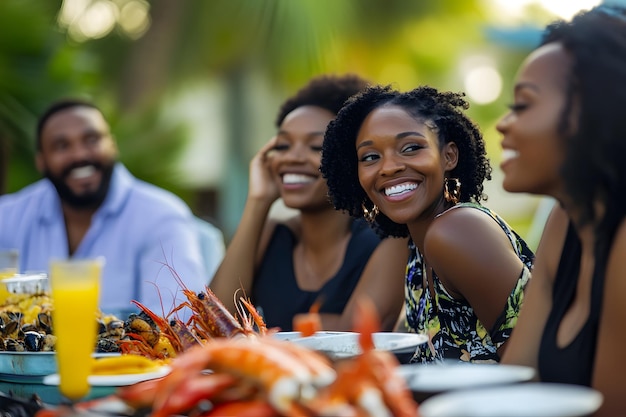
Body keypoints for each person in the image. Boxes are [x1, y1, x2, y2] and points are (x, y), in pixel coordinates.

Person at [320, 85, 534, 363]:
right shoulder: (416, 250)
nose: (389, 167)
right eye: (370, 157)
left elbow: (532, 365)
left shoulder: (458, 231)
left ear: (449, 156)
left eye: (411, 148)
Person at [497, 5, 626, 415]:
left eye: (522, 105)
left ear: (591, 113)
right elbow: (517, 380)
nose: (502, 124)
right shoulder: (566, 220)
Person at [210, 74, 408, 332]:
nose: (292, 157)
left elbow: (355, 338)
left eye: (316, 146)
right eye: (282, 145)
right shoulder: (269, 234)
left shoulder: (390, 237)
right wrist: (258, 201)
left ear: (353, 159)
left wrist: (265, 334)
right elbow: (213, 322)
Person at [0, 98, 210, 317]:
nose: (80, 155)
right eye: (62, 146)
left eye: (91, 140)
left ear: (112, 145)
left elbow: (177, 324)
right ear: (41, 161)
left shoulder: (161, 217)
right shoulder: (7, 218)